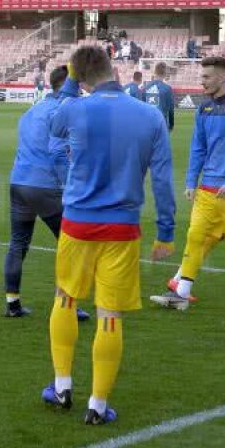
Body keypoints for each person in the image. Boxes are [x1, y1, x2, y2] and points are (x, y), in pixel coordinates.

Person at [40, 46, 175, 424]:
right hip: (122, 226)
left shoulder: (73, 108)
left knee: (65, 297)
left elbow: (52, 124)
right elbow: (162, 179)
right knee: (109, 313)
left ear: (78, 78)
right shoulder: (150, 116)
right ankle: (97, 406)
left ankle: (62, 386)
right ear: (115, 69)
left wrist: (69, 83)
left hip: (78, 223)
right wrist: (165, 231)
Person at [152, 54, 225, 312]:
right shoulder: (203, 109)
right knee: (195, 236)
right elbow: (198, 148)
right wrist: (190, 181)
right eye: (201, 76)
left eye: (206, 77)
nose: (201, 81)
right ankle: (182, 292)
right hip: (207, 189)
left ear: (223, 77)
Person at [3, 66, 88, 320]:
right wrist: (68, 186)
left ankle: (12, 304)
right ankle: (66, 305)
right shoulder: (63, 111)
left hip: (19, 183)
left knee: (18, 243)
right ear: (67, 85)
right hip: (46, 185)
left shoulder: (32, 109)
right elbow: (58, 152)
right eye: (78, 87)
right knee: (71, 244)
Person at [142, 62, 175, 131]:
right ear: (165, 73)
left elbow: (141, 107)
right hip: (161, 123)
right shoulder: (167, 88)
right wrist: (171, 124)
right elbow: (171, 109)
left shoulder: (145, 88)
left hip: (147, 123)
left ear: (155, 72)